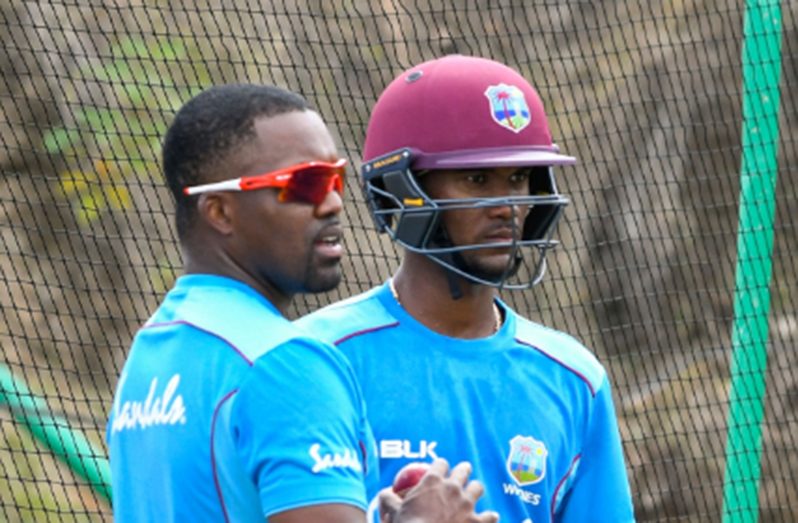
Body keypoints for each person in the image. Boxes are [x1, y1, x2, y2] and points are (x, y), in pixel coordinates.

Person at [106, 83, 498, 523]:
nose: (331, 203)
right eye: (304, 184)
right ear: (219, 212)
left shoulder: (153, 352)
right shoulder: (285, 365)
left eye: (336, 178)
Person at [297, 55, 636, 522]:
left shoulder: (574, 379)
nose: (507, 206)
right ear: (400, 188)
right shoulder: (314, 359)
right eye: (477, 178)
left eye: (517, 179)